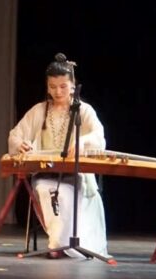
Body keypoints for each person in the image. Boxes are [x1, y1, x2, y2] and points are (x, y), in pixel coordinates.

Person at [8, 57, 107, 259]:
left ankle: (62, 245)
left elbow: (99, 136)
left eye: (63, 86)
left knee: (68, 195)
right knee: (47, 191)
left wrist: (82, 142)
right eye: (52, 87)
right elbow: (15, 135)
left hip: (76, 175)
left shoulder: (83, 110)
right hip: (47, 174)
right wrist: (21, 144)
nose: (58, 92)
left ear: (73, 86)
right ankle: (58, 244)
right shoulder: (39, 110)